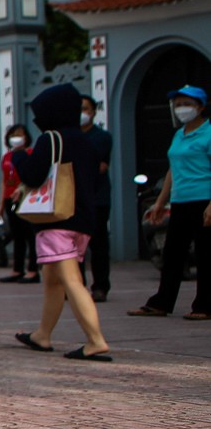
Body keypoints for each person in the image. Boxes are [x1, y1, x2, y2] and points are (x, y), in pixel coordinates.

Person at [11, 83, 111, 359]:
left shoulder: (50, 139)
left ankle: (95, 340)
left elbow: (32, 176)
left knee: (71, 280)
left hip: (55, 220)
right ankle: (42, 335)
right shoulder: (85, 142)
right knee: (53, 280)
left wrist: (19, 157)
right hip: (82, 220)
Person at [128, 84, 211, 321]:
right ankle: (161, 302)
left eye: (187, 104)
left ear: (201, 107)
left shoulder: (208, 133)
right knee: (172, 253)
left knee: (206, 254)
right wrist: (160, 202)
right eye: (178, 104)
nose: (181, 108)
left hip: (204, 200)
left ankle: (205, 305)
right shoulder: (179, 134)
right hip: (180, 200)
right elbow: (172, 172)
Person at [78, 95, 112, 301]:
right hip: (74, 199)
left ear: (93, 111)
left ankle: (100, 286)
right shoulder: (69, 136)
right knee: (74, 247)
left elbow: (98, 167)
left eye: (85, 108)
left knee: (98, 245)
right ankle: (76, 286)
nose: (82, 113)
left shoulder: (102, 137)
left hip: (97, 199)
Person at [0, 123, 40, 284]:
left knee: (30, 234)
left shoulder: (30, 154)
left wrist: (22, 189)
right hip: (10, 198)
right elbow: (4, 180)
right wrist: (1, 203)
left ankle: (33, 270)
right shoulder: (6, 157)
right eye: (13, 134)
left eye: (20, 134)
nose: (16, 138)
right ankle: (17, 268)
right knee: (17, 235)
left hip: (25, 199)